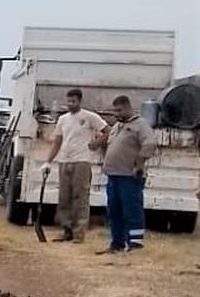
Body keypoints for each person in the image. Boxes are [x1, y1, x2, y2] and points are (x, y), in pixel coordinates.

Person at [40, 88, 106, 242]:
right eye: (68, 101)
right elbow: (57, 141)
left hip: (81, 161)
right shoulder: (63, 119)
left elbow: (108, 131)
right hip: (64, 161)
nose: (70, 104)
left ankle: (79, 232)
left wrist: (96, 143)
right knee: (64, 198)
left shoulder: (89, 117)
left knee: (80, 198)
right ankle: (66, 230)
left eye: (73, 101)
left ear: (79, 101)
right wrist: (48, 161)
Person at [93, 94, 156, 254]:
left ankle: (135, 244)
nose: (117, 114)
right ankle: (117, 243)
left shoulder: (140, 125)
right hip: (113, 176)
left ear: (128, 107)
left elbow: (150, 143)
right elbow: (108, 142)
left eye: (119, 110)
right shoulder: (117, 126)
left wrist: (139, 163)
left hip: (129, 176)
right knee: (114, 211)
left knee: (131, 210)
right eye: (115, 110)